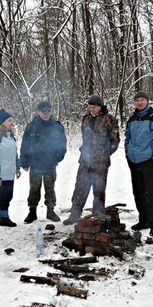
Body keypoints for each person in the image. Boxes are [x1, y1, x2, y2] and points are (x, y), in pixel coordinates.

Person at [63, 95, 120, 225]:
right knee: (80, 187)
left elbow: (115, 141)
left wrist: (104, 153)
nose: (92, 109)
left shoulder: (109, 120)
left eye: (94, 107)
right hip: (85, 160)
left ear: (100, 107)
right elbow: (85, 138)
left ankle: (97, 216)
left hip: (100, 162)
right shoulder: (85, 119)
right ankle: (75, 214)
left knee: (99, 189)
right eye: (90, 106)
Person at [125, 91, 153, 238]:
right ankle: (143, 220)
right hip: (134, 161)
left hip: (149, 161)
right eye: (137, 100)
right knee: (138, 192)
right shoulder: (132, 119)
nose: (139, 102)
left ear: (147, 101)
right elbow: (127, 138)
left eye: (142, 99)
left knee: (151, 193)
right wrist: (128, 154)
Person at [20, 101, 67, 223]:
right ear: (38, 112)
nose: (46, 114)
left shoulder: (57, 126)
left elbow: (62, 144)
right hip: (35, 164)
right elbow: (25, 145)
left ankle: (50, 211)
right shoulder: (31, 127)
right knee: (34, 188)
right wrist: (24, 162)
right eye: (43, 111)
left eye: (48, 111)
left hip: (50, 164)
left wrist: (58, 157)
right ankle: (32, 212)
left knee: (50, 188)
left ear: (51, 112)